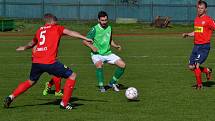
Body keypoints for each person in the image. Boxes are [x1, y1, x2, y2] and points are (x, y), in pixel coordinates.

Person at [3, 13, 92, 110]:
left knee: (30, 81)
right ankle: (64, 103)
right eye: (55, 21)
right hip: (49, 62)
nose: (57, 23)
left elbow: (32, 43)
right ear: (51, 21)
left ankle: (11, 97)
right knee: (72, 75)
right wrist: (85, 38)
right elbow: (71, 32)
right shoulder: (57, 28)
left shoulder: (39, 30)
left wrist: (24, 47)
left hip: (37, 62)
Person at [82, 11, 126, 92]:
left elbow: (110, 40)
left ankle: (111, 83)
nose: (104, 22)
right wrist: (92, 46)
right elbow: (84, 41)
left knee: (122, 65)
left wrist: (116, 46)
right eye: (102, 20)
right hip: (96, 54)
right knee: (99, 64)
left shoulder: (109, 28)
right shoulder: (94, 29)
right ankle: (101, 86)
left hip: (108, 53)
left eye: (106, 20)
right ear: (98, 20)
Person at [182, 0, 215, 89]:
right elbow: (197, 32)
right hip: (196, 46)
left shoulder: (208, 20)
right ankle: (207, 70)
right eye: (198, 8)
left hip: (204, 47)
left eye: (202, 8)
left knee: (196, 65)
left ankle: (199, 85)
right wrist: (188, 34)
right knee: (191, 67)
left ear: (205, 10)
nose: (200, 10)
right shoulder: (196, 19)